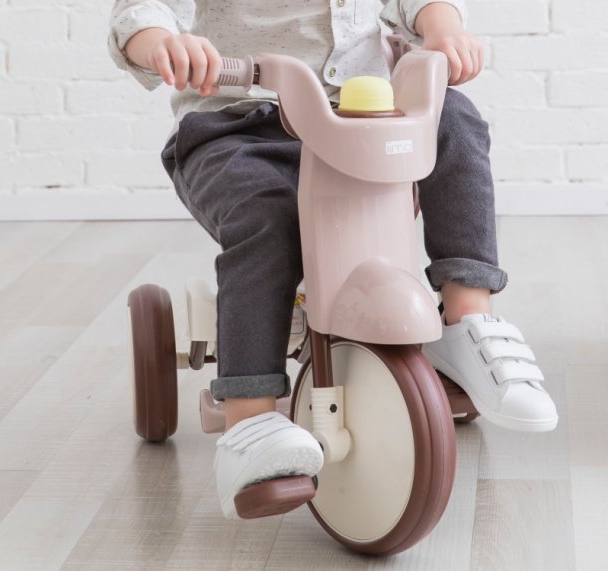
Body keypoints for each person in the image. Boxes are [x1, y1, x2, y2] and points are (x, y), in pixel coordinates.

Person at [108, 0, 559, 520]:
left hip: (364, 119)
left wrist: (443, 27)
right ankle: (249, 419)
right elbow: (142, 11)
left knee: (453, 116)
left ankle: (468, 318)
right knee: (267, 218)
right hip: (240, 128)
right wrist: (163, 42)